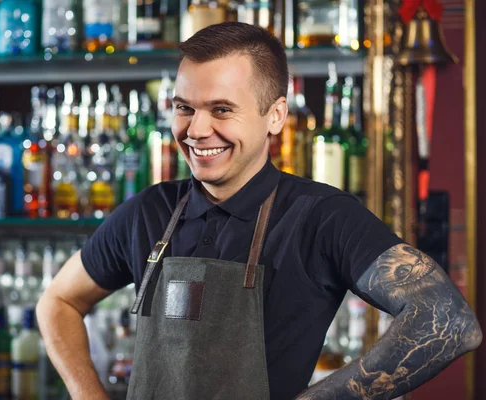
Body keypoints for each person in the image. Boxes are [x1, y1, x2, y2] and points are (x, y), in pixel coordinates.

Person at [36, 22, 482, 400]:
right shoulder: (148, 212)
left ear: (275, 116)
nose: (196, 130)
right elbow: (57, 302)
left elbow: (449, 320)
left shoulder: (320, 216)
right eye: (184, 108)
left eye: (221, 110)